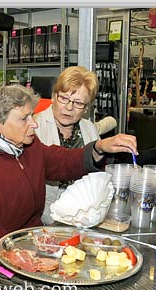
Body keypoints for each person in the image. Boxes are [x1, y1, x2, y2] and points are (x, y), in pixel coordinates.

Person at [0, 84, 137, 284]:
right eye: (24, 119)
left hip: (31, 246)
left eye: (32, 116)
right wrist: (38, 268)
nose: (34, 124)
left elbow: (58, 160)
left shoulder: (23, 143)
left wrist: (98, 147)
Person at [34, 66, 101, 225]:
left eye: (78, 103)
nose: (69, 108)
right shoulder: (35, 127)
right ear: (53, 96)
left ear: (86, 108)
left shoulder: (89, 129)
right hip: (46, 217)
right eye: (64, 98)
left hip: (84, 215)